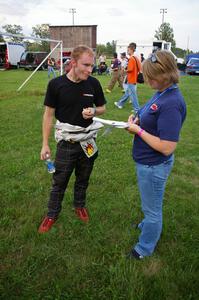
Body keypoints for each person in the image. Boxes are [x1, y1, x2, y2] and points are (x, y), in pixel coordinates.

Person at [38, 45, 106, 233]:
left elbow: (102, 108)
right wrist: (45, 144)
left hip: (88, 142)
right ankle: (52, 214)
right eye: (86, 65)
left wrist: (94, 110)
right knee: (59, 181)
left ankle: (79, 205)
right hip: (67, 143)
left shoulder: (93, 84)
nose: (90, 70)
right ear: (73, 63)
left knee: (83, 178)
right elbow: (48, 115)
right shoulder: (56, 85)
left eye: (91, 65)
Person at [126, 50, 186, 259]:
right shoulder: (162, 92)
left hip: (154, 165)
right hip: (148, 163)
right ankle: (147, 225)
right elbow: (149, 114)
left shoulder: (171, 103)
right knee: (149, 202)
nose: (146, 79)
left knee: (153, 210)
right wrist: (137, 119)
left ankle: (144, 248)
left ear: (165, 74)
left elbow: (167, 147)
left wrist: (138, 131)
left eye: (150, 76)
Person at [114, 43, 140, 113]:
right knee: (128, 93)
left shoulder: (131, 58)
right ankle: (120, 103)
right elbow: (139, 68)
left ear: (131, 50)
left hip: (131, 78)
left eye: (128, 50)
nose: (127, 51)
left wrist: (124, 70)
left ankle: (137, 109)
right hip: (134, 77)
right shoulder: (136, 58)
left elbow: (130, 69)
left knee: (133, 95)